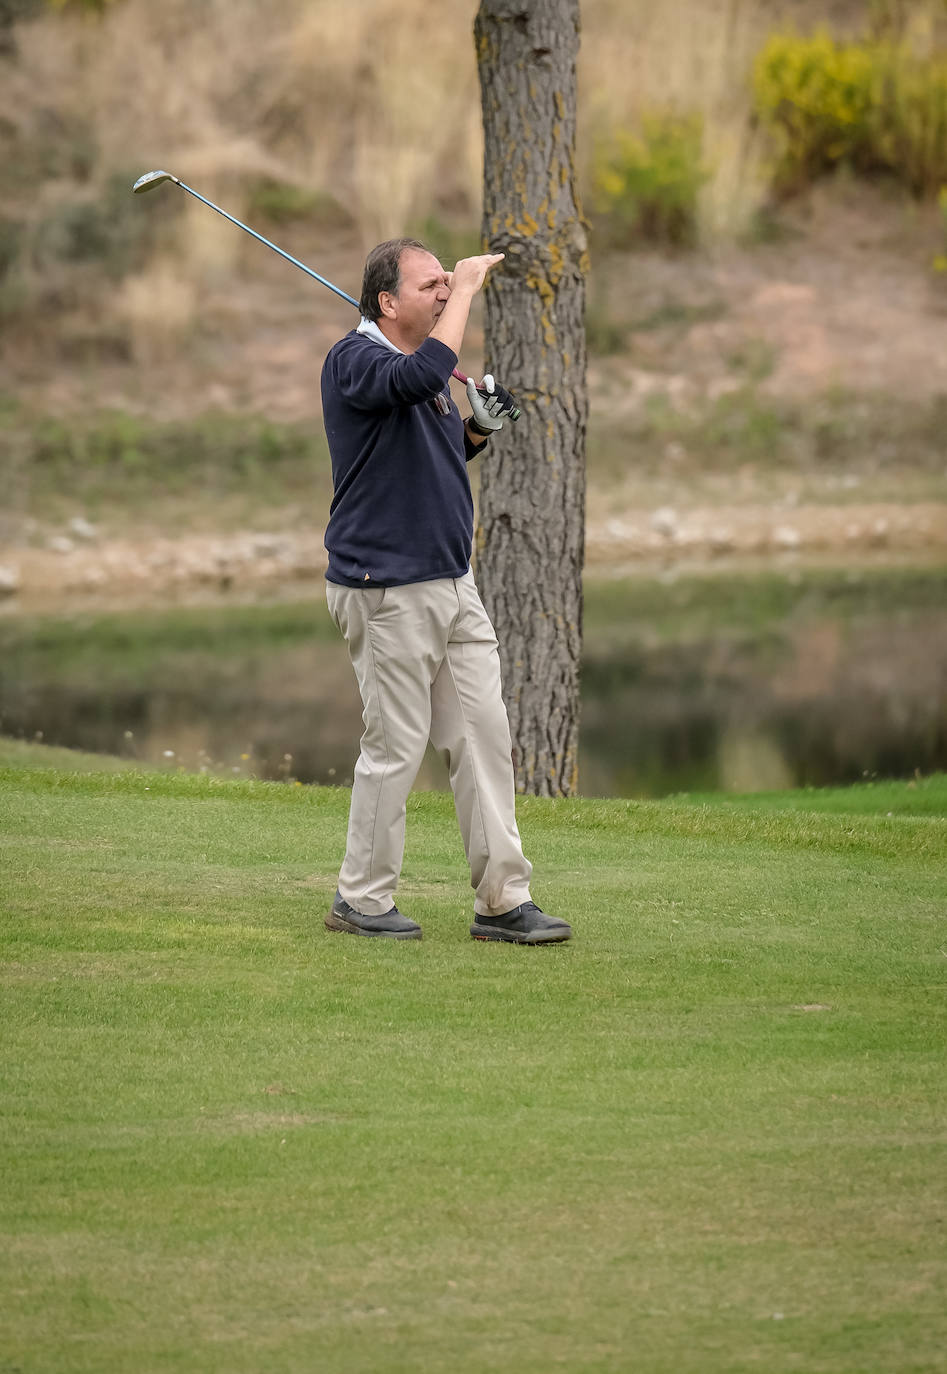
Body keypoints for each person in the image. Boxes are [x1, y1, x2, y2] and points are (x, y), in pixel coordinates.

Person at [320, 237, 571, 945]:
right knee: (395, 745)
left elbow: (430, 448)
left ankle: (502, 901)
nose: (441, 292)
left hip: (450, 584)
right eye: (428, 285)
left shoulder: (417, 370)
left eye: (444, 285)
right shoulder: (356, 361)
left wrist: (478, 430)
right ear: (386, 301)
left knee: (482, 739)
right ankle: (360, 900)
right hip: (384, 586)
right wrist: (464, 292)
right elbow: (409, 380)